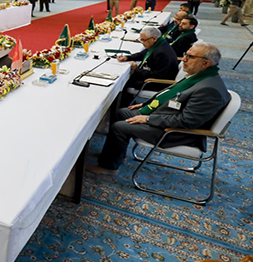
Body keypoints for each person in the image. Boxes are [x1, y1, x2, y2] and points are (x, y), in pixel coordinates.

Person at [88, 42, 230, 174]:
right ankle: (115, 156)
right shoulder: (199, 76)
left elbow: (187, 121)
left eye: (190, 57)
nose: (184, 59)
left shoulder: (209, 89)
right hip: (166, 116)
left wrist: (148, 119)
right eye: (185, 55)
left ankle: (108, 167)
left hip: (176, 133)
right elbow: (170, 94)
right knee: (122, 112)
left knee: (119, 127)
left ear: (206, 63)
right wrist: (146, 105)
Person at [117, 26, 179, 91]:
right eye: (141, 40)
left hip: (158, 83)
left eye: (144, 40)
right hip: (155, 77)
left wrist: (136, 69)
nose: (142, 42)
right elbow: (143, 53)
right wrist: (127, 57)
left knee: (125, 82)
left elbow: (156, 75)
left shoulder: (161, 53)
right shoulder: (158, 44)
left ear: (154, 39)